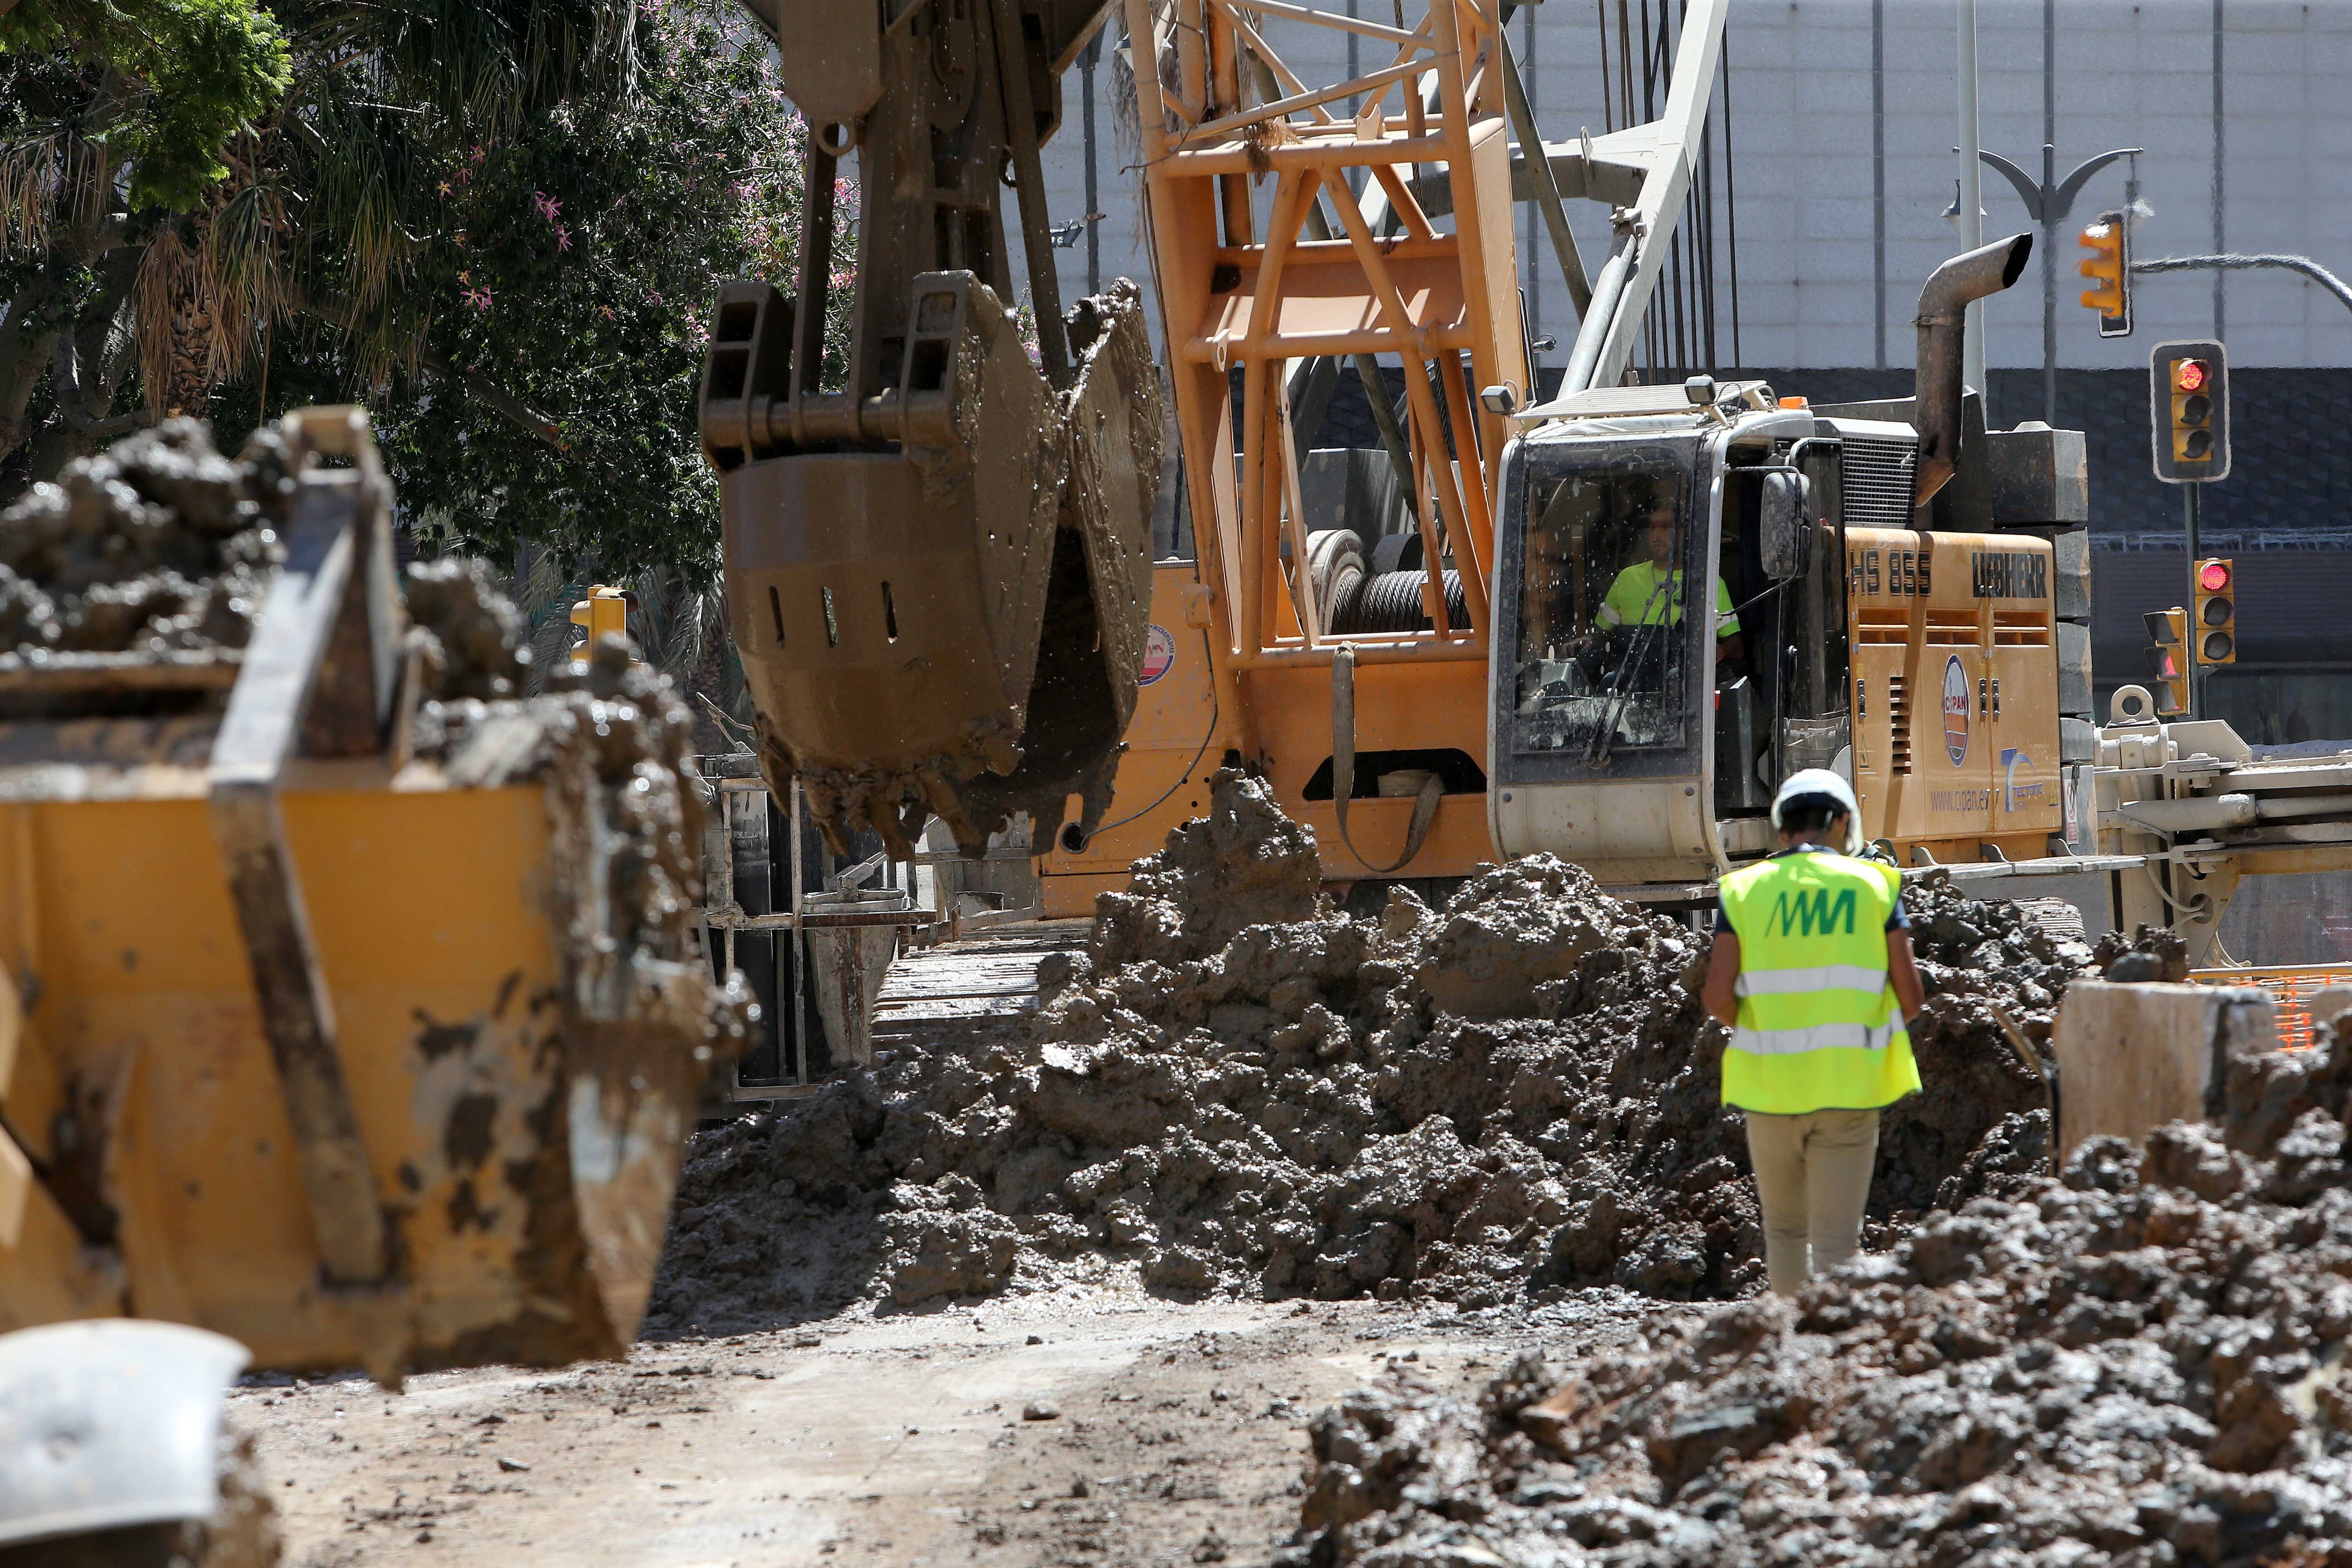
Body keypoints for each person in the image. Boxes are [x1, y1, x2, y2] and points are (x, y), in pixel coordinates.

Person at [1701, 768, 1927, 1295]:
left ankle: (1788, 1358)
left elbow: (1715, 998)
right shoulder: (1873, 884)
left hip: (1770, 1090)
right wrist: (1862, 1031)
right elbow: (1912, 999)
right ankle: (1829, 1360)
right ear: (1843, 823)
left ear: (1781, 832)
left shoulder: (1743, 890)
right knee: (1835, 1243)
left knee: (1783, 1232)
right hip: (1847, 1093)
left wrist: (1771, 1028)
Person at [1593, 499, 1745, 663]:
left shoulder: (1708, 584)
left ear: (1685, 533)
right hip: (1631, 684)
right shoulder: (1626, 578)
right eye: (1652, 528)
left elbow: (1736, 647)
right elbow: (1601, 638)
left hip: (1684, 685)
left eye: (1666, 528)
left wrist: (1720, 651)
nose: (1656, 536)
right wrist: (1584, 643)